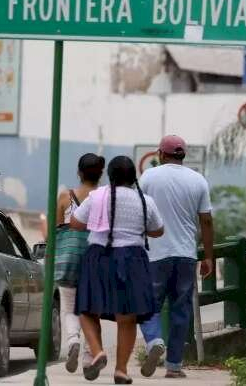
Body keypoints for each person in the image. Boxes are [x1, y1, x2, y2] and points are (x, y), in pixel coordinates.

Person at [70, 156, 164, 384]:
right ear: (134, 177)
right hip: (133, 259)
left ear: (109, 176)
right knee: (127, 318)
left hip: (99, 256)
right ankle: (121, 370)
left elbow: (75, 222)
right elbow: (158, 230)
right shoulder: (145, 201)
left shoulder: (97, 196)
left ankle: (97, 351)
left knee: (87, 309)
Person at [138, 135, 215, 379]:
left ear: (161, 154)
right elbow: (206, 221)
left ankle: (154, 341)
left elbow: (138, 212)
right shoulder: (198, 181)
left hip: (155, 255)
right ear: (183, 155)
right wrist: (209, 257)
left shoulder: (149, 177)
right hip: (186, 255)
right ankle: (174, 365)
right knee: (181, 310)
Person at [55, 153, 105, 373]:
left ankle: (73, 340)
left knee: (69, 308)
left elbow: (57, 232)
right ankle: (88, 357)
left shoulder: (65, 197)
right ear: (101, 174)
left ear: (79, 172)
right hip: (96, 257)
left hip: (70, 258)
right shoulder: (104, 197)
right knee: (92, 310)